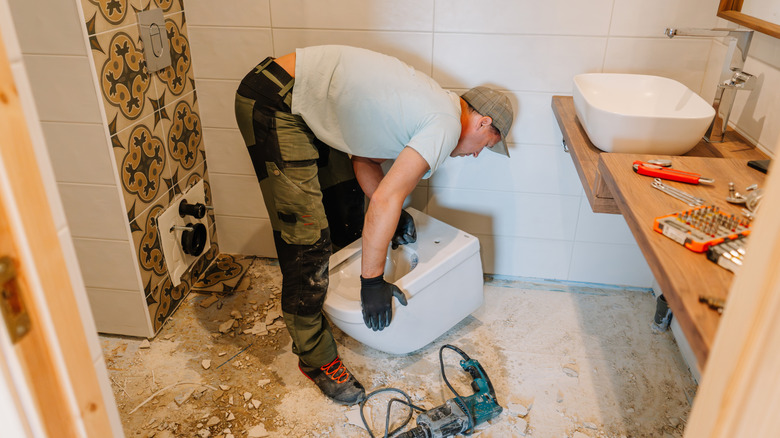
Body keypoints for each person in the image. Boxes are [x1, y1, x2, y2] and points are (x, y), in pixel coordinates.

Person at [234, 45, 513, 406]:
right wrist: (372, 281)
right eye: (484, 145)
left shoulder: (431, 107)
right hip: (276, 100)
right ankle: (315, 359)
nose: (475, 154)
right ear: (483, 122)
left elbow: (364, 157)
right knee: (306, 238)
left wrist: (391, 215)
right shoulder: (444, 122)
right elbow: (384, 200)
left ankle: (325, 306)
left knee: (345, 205)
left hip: (297, 98)